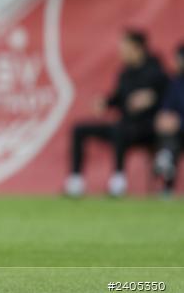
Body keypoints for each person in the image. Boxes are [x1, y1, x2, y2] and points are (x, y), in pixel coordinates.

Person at [65, 30, 167, 197]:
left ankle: (118, 180)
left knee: (120, 130)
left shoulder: (156, 71)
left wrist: (152, 98)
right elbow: (119, 98)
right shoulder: (125, 73)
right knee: (79, 129)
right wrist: (105, 102)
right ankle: (75, 181)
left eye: (124, 46)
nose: (121, 50)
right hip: (125, 125)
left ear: (137, 48)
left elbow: (169, 97)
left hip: (147, 128)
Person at [154, 44, 184, 194]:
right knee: (168, 135)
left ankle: (165, 157)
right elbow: (166, 106)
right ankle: (167, 188)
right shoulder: (175, 83)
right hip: (176, 132)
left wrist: (179, 121)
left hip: (180, 126)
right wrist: (163, 117)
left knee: (170, 141)